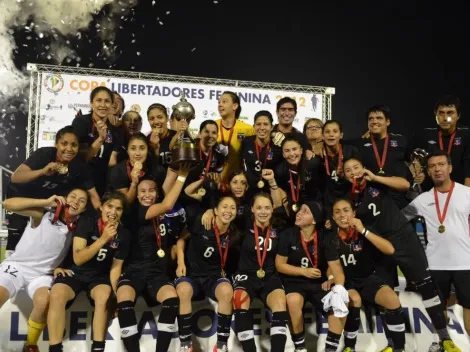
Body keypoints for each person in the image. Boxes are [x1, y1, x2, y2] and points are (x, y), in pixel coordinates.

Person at [343, 157, 461, 352]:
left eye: (356, 167)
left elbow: (405, 185)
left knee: (427, 289)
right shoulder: (347, 196)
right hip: (378, 246)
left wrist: (376, 177)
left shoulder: (377, 182)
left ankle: (444, 338)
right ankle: (394, 346)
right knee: (386, 294)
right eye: (348, 170)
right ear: (344, 175)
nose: (353, 172)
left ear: (363, 168)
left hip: (404, 240)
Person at [1, 189, 88, 352]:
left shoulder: (80, 229)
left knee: (44, 301)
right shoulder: (44, 215)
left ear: (84, 209)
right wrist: (45, 202)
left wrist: (62, 267)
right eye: (73, 197)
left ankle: (30, 345)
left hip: (43, 275)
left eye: (82, 201)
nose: (76, 201)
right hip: (17, 267)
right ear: (64, 198)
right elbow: (7, 204)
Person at [116, 164, 190, 352]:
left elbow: (165, 199)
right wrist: (182, 177)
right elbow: (167, 203)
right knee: (124, 301)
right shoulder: (134, 212)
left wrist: (172, 174)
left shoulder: (160, 213)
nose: (147, 194)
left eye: (151, 191)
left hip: (157, 273)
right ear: (137, 194)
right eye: (142, 191)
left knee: (172, 300)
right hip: (133, 271)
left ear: (157, 194)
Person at [47, 191, 131, 352]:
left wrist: (116, 294)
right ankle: (55, 348)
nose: (113, 212)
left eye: (118, 209)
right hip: (77, 272)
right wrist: (103, 239)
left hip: (100, 277)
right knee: (57, 293)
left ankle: (98, 348)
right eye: (110, 206)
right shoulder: (87, 222)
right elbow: (78, 258)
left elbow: (116, 268)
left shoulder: (124, 234)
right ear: (101, 207)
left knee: (104, 296)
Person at [403, 150, 470, 351]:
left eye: (441, 164)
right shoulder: (423, 200)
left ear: (450, 168)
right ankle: (438, 341)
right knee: (437, 307)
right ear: (428, 171)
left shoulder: (466, 193)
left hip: (465, 261)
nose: (437, 169)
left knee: (468, 307)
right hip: (435, 262)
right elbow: (401, 220)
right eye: (432, 166)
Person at [6, 126, 100, 255]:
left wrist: (102, 219)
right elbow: (16, 177)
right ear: (56, 144)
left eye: (74, 145)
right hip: (21, 194)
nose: (69, 149)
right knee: (16, 232)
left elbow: (93, 196)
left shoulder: (79, 166)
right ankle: (11, 261)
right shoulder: (44, 154)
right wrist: (42, 171)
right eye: (64, 144)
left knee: (40, 233)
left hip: (43, 200)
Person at [328, 198, 406, 352]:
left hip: (367, 278)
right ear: (332, 217)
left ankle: (399, 348)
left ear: (354, 213)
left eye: (346, 210)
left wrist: (363, 230)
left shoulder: (365, 229)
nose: (342, 215)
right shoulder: (329, 236)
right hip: (346, 281)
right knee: (352, 299)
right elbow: (330, 265)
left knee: (392, 299)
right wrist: (331, 278)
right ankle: (350, 347)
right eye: (337, 212)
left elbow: (389, 250)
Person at [275, 201, 347, 352]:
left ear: (314, 220)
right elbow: (280, 265)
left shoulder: (324, 238)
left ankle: (330, 348)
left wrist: (338, 286)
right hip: (293, 282)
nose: (299, 212)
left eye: (305, 211)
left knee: (339, 303)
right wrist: (303, 271)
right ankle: (300, 348)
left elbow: (337, 270)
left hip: (318, 284)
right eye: (300, 209)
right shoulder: (288, 235)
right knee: (293, 301)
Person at [175, 196, 238, 352]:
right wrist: (180, 263)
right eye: (224, 207)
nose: (228, 211)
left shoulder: (235, 233)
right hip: (192, 274)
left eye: (232, 208)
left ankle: (222, 345)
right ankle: (186, 344)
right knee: (183, 290)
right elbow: (181, 240)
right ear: (215, 210)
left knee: (227, 291)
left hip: (214, 276)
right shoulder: (201, 222)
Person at [232, 193, 288, 352]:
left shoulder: (280, 227)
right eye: (259, 207)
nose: (263, 211)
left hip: (270, 276)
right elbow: (224, 216)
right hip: (246, 275)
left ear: (272, 209)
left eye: (267, 207)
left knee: (279, 302)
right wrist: (209, 212)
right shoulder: (243, 224)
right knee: (239, 299)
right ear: (252, 209)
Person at [350, 105, 410, 209]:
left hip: (397, 201)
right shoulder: (360, 144)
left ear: (388, 122)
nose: (374, 121)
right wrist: (317, 144)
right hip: (370, 201)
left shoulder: (401, 141)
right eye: (371, 119)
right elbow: (338, 144)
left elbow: (411, 163)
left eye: (379, 118)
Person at [71, 86, 125, 196]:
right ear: (91, 103)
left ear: (111, 105)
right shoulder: (81, 122)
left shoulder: (115, 130)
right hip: (78, 181)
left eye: (107, 101)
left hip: (100, 184)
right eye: (98, 100)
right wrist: (100, 139)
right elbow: (82, 158)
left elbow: (112, 161)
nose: (103, 105)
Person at [412, 95, 470, 188]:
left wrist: (467, 196)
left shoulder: (466, 135)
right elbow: (410, 157)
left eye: (450, 113)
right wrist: (418, 173)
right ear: (436, 115)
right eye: (441, 113)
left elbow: (469, 170)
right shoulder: (424, 135)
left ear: (458, 116)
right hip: (431, 190)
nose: (445, 118)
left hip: (459, 190)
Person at [108, 133, 168, 205]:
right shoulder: (119, 171)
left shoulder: (155, 168)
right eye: (133, 148)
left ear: (147, 150)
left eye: (142, 148)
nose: (137, 153)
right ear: (127, 151)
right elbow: (125, 203)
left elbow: (163, 196)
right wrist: (134, 184)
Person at [275, 136, 324, 219]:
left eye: (294, 149)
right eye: (287, 151)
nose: (291, 154)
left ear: (301, 151)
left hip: (315, 207)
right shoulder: (280, 171)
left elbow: (323, 188)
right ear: (283, 154)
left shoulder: (313, 164)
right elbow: (282, 191)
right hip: (293, 208)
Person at [320, 120, 360, 220]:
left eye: (335, 131)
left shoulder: (351, 151)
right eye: (327, 132)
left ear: (341, 135)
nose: (331, 135)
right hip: (329, 201)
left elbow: (359, 174)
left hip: (349, 197)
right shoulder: (318, 154)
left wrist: (346, 175)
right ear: (322, 136)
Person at [242, 111, 283, 199]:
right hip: (250, 191)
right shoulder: (246, 142)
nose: (262, 127)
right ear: (254, 126)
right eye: (258, 124)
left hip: (271, 191)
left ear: (272, 127)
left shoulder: (278, 145)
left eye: (265, 124)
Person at [216, 91, 255, 183]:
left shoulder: (247, 129)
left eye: (224, 102)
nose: (220, 105)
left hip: (237, 182)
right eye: (219, 102)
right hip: (214, 180)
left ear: (235, 106)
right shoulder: (212, 126)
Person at [146, 103, 180, 167]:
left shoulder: (177, 137)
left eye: (160, 117)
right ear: (148, 121)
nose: (156, 122)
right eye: (152, 118)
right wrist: (155, 149)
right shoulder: (145, 142)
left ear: (167, 118)